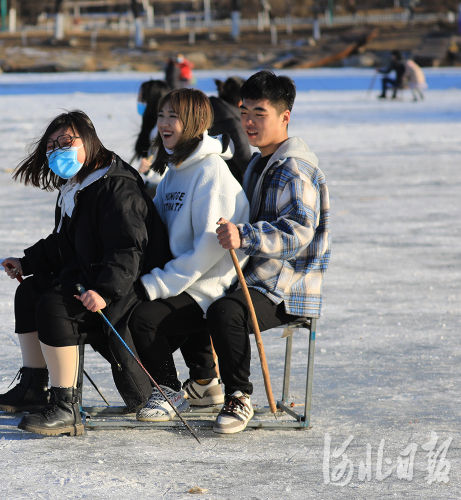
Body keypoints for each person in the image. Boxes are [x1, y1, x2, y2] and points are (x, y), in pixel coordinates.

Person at [0, 110, 171, 437]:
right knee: (28, 293)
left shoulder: (116, 187)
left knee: (56, 307)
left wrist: (105, 290)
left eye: (66, 141)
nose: (59, 150)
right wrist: (26, 262)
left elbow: (128, 248)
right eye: (52, 146)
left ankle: (66, 407)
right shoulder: (78, 185)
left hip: (124, 289)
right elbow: (65, 242)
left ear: (88, 140)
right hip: (90, 275)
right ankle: (33, 385)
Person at [210, 70, 330, 434]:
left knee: (225, 312)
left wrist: (245, 236)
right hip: (258, 276)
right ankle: (204, 385)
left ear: (284, 117)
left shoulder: (293, 168)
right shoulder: (262, 162)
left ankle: (239, 396)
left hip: (288, 286)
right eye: (244, 111)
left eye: (259, 114)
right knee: (200, 301)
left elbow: (299, 232)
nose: (248, 121)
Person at [128, 88, 250, 422]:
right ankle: (206, 382)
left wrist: (156, 284)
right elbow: (157, 227)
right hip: (186, 278)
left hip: (212, 284)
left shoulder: (211, 173)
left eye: (174, 117)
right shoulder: (175, 169)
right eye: (161, 116)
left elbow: (208, 250)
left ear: (195, 123)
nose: (164, 124)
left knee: (143, 317)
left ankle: (168, 391)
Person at [210, 76, 252, 185]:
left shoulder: (208, 113)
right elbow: (245, 164)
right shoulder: (233, 124)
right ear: (240, 103)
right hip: (230, 185)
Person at [133, 79, 170, 196]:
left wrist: (149, 169)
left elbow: (169, 167)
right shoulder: (152, 127)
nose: (138, 101)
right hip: (153, 185)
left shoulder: (162, 130)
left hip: (161, 189)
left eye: (142, 98)